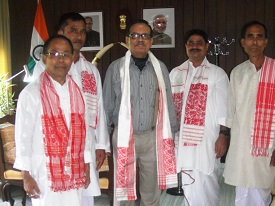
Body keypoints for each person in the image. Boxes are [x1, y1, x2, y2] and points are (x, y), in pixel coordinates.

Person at [32, 12, 110, 206]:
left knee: (84, 197)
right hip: (53, 149)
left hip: (85, 147)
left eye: (83, 31)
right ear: (61, 32)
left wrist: (101, 145)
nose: (79, 36)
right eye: (73, 30)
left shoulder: (90, 70)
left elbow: (99, 108)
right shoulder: (43, 69)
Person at [103, 19, 178, 206]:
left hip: (152, 137)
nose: (140, 40)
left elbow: (168, 101)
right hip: (123, 136)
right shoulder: (115, 68)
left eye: (145, 36)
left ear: (151, 41)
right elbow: (107, 105)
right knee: (123, 190)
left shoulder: (160, 68)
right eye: (135, 35)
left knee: (151, 191)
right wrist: (103, 140)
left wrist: (172, 134)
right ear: (127, 39)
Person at [14, 34, 91, 206]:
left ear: (72, 58)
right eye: (55, 54)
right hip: (44, 172)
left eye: (65, 54)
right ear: (44, 58)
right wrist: (26, 175)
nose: (61, 60)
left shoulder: (78, 93)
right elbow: (22, 137)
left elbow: (84, 133)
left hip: (74, 169)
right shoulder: (31, 94)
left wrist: (86, 163)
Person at [223, 20, 275, 206]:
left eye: (259, 37)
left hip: (267, 147)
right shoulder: (237, 72)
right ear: (242, 42)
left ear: (265, 42)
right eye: (250, 37)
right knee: (242, 190)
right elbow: (230, 109)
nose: (254, 42)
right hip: (241, 145)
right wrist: (223, 136)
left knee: (262, 189)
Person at [169, 29, 230, 206]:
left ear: (206, 47)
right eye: (191, 43)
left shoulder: (217, 73)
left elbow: (224, 108)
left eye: (199, 43)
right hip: (183, 141)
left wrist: (223, 135)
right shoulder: (176, 73)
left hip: (208, 140)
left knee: (207, 181)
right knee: (189, 184)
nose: (195, 46)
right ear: (186, 46)